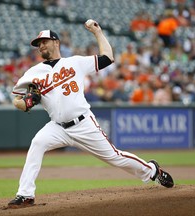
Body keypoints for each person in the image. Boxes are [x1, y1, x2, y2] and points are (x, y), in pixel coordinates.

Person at [9, 20, 174, 208]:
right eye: (38, 44)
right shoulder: (33, 73)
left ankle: (152, 171)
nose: (41, 46)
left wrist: (98, 33)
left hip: (83, 124)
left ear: (56, 42)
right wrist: (24, 103)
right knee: (37, 143)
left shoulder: (75, 62)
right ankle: (25, 194)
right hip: (57, 127)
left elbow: (108, 57)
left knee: (115, 157)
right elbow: (17, 99)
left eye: (44, 41)